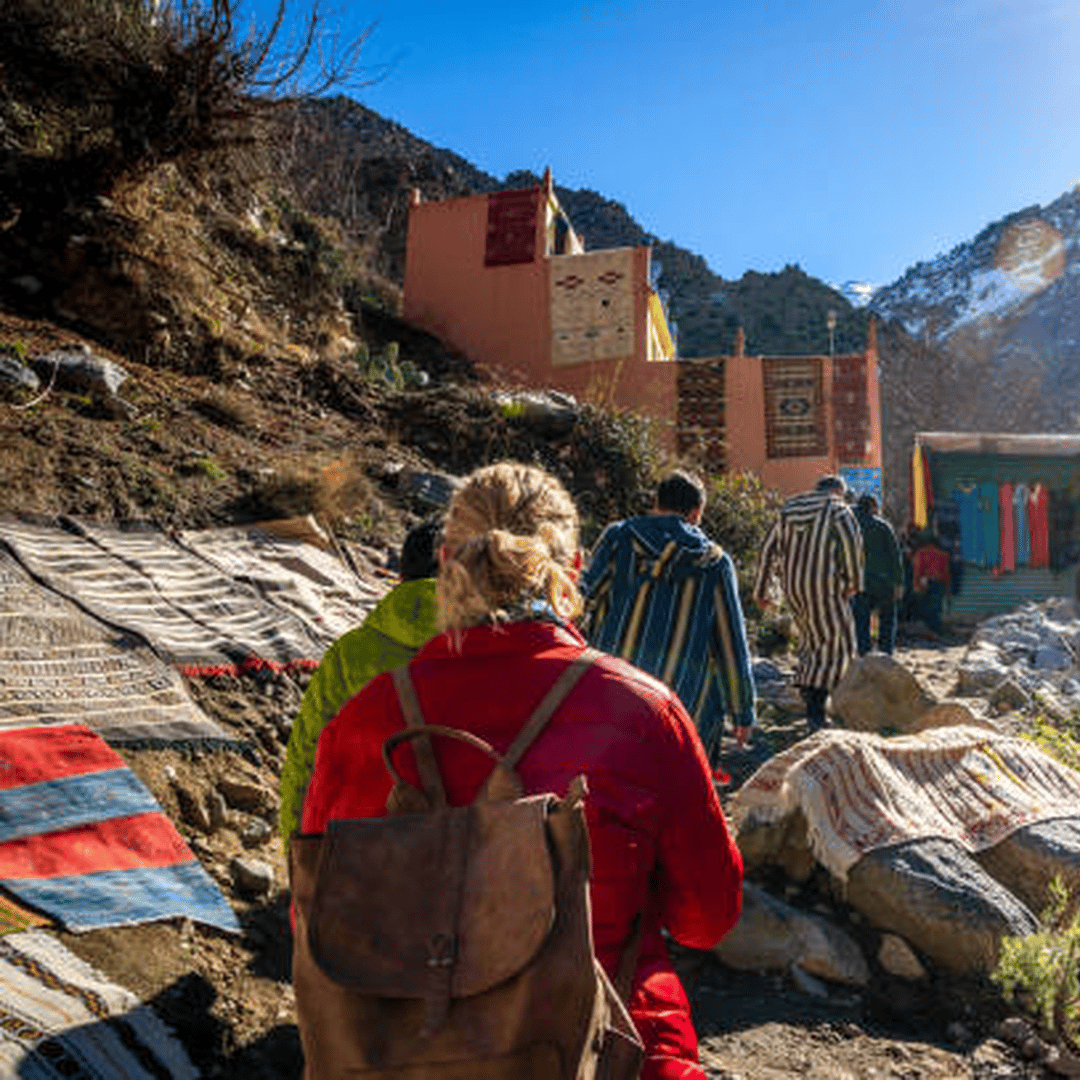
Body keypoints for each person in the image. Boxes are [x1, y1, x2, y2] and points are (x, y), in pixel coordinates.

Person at [301, 462, 743, 1080]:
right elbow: (707, 920)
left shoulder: (363, 721)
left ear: (445, 561)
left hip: (400, 1057)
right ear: (575, 569)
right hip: (607, 1053)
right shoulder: (644, 713)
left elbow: (313, 918)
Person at [278, 518, 442, 845]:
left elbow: (306, 756)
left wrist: (297, 848)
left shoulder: (350, 653)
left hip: (350, 848)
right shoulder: (487, 658)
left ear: (401, 575)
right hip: (447, 855)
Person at [578, 470, 756, 764]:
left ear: (656, 503)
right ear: (697, 512)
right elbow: (730, 641)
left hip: (613, 692)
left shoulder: (619, 537)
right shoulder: (715, 563)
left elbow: (580, 599)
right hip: (680, 706)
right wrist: (742, 711)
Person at [753, 475, 864, 732]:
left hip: (794, 589)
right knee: (839, 645)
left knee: (810, 641)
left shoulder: (788, 510)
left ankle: (807, 690)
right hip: (827, 587)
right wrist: (854, 583)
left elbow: (767, 549)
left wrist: (762, 589)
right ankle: (816, 710)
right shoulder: (838, 509)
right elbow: (852, 546)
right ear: (837, 491)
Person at [852, 493, 903, 655]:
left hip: (860, 581)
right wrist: (899, 583)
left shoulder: (851, 527)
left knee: (861, 620)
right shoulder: (883, 526)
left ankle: (863, 653)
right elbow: (895, 557)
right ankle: (886, 652)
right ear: (873, 507)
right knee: (887, 618)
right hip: (884, 582)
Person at [911, 531, 952, 635]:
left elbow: (918, 571)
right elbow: (946, 573)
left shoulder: (921, 553)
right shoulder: (943, 555)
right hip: (939, 582)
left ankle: (928, 631)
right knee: (936, 608)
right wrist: (948, 589)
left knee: (924, 607)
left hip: (925, 582)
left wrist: (916, 584)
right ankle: (936, 630)